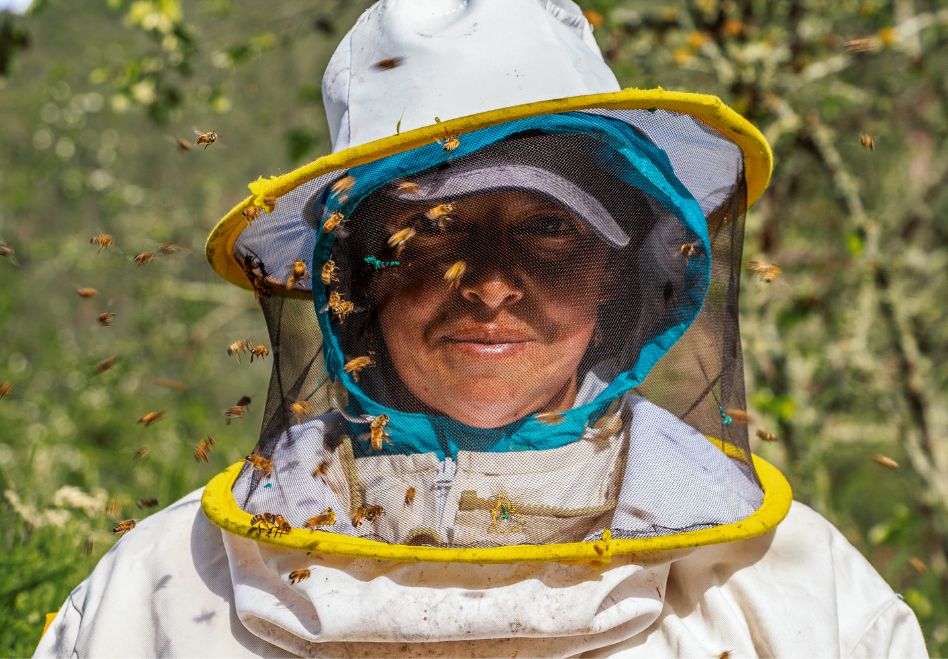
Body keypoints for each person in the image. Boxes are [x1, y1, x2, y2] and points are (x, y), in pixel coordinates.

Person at [36, 1, 927, 657]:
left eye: (550, 229)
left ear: (623, 273)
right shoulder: (162, 592)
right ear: (356, 276)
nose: (493, 286)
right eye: (434, 233)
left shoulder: (800, 595)